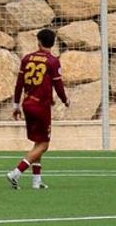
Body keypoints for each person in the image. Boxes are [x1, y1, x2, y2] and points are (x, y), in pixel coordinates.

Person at [8, 28, 69, 191]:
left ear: (39, 42)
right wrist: (65, 100)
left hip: (27, 104)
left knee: (37, 143)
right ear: (53, 43)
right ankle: (16, 172)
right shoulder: (53, 61)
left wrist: (15, 105)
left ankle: (36, 181)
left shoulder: (27, 58)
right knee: (44, 145)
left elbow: (19, 84)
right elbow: (58, 85)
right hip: (41, 107)